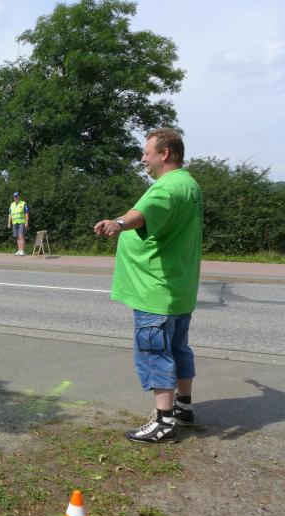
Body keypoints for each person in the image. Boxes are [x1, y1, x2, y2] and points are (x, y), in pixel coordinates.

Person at [93, 127, 202, 443]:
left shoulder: (166, 188)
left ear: (165, 154)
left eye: (146, 152)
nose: (142, 158)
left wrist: (118, 223)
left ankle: (164, 422)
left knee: (154, 352)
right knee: (178, 349)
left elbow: (142, 214)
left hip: (155, 289)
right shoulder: (189, 185)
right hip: (178, 289)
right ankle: (183, 408)